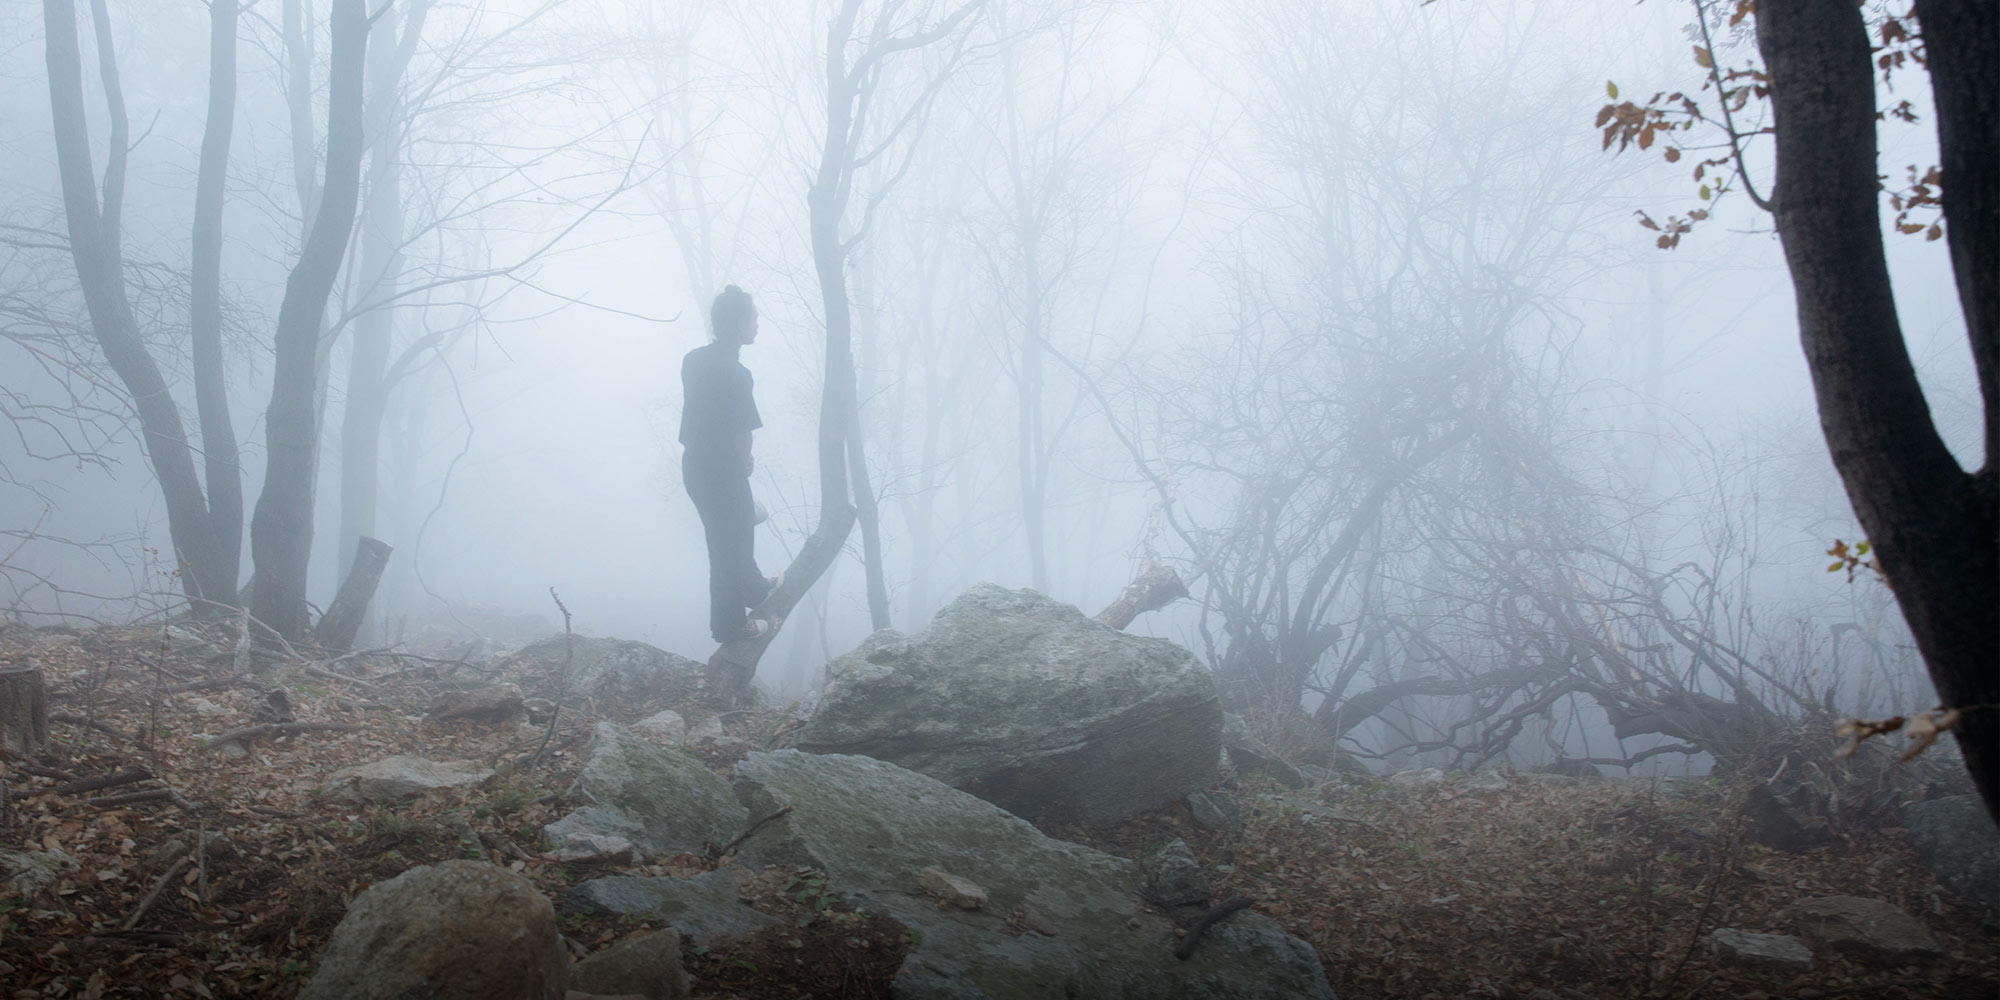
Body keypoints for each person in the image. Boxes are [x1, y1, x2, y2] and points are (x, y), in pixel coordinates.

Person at [680, 285, 779, 642]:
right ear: (738, 323)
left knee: (736, 531)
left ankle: (753, 588)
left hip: (694, 465)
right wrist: (745, 460)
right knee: (727, 546)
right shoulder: (738, 375)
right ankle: (730, 626)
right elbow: (742, 431)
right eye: (753, 316)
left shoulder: (693, 359)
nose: (757, 322)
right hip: (722, 469)